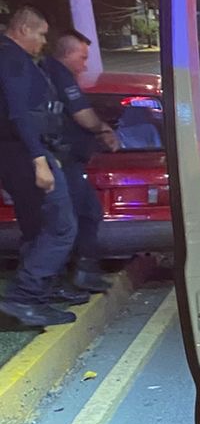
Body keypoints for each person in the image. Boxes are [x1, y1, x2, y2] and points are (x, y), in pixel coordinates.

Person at [0, 7, 83, 329]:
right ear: (23, 29)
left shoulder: (13, 58)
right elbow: (19, 113)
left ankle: (36, 296)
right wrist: (39, 158)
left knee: (37, 227)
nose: (44, 41)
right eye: (41, 34)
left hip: (20, 152)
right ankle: (24, 296)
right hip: (24, 153)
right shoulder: (13, 60)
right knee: (62, 227)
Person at [41, 30, 118, 293]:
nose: (84, 64)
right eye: (82, 57)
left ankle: (78, 274)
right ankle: (71, 277)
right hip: (64, 161)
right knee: (80, 216)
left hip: (64, 160)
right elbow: (82, 115)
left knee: (81, 215)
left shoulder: (48, 73)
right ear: (67, 53)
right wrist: (104, 129)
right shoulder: (60, 75)